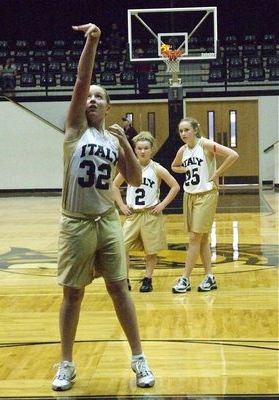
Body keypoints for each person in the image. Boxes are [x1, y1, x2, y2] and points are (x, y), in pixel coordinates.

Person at [52, 23, 155, 391]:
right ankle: (66, 363)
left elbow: (136, 179)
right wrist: (92, 41)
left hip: (106, 221)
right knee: (73, 293)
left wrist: (125, 141)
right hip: (76, 223)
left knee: (119, 287)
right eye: (89, 96)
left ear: (109, 106)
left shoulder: (112, 140)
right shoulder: (75, 129)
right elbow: (81, 80)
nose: (92, 99)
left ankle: (139, 358)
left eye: (99, 97)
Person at [171, 117, 239, 293]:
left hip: (207, 194)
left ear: (195, 130)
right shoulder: (183, 150)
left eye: (187, 130)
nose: (184, 134)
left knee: (194, 238)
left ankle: (185, 278)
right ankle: (209, 277)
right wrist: (186, 169)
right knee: (202, 240)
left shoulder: (205, 144)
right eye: (181, 131)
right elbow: (174, 166)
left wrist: (216, 172)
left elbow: (233, 155)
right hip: (190, 195)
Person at [113, 131, 180, 292]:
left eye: (146, 148)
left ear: (152, 150)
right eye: (139, 148)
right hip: (133, 214)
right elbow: (114, 185)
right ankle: (125, 279)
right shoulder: (129, 168)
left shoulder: (157, 168)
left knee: (151, 251)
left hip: (150, 214)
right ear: (135, 150)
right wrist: (121, 205)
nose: (142, 151)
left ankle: (147, 279)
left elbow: (175, 186)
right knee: (123, 248)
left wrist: (162, 204)